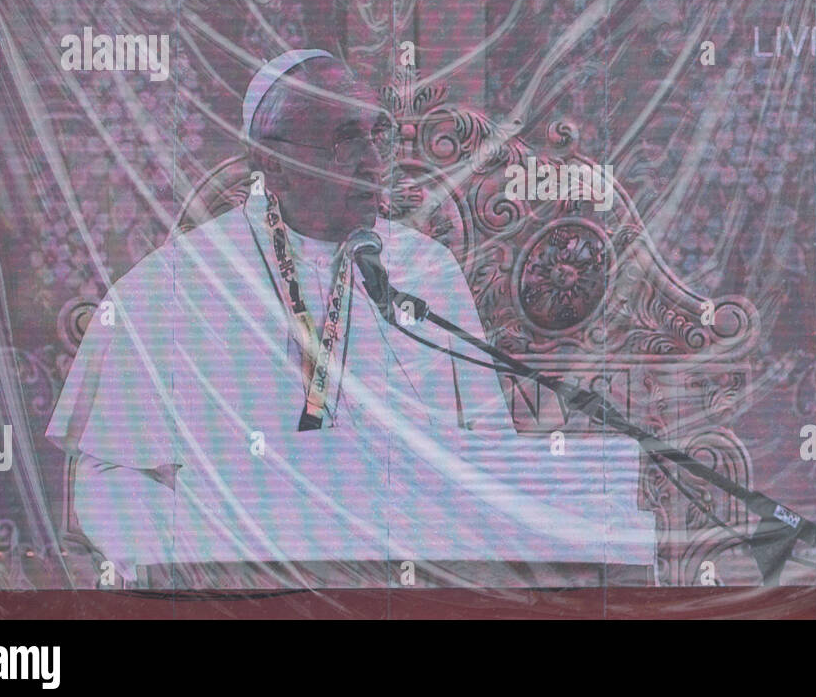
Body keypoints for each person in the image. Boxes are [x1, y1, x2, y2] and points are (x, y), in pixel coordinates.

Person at [45, 50, 655, 586]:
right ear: (273, 162)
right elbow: (104, 477)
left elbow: (484, 454)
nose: (372, 161)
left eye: (376, 136)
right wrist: (202, 558)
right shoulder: (170, 287)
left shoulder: (425, 269)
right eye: (344, 141)